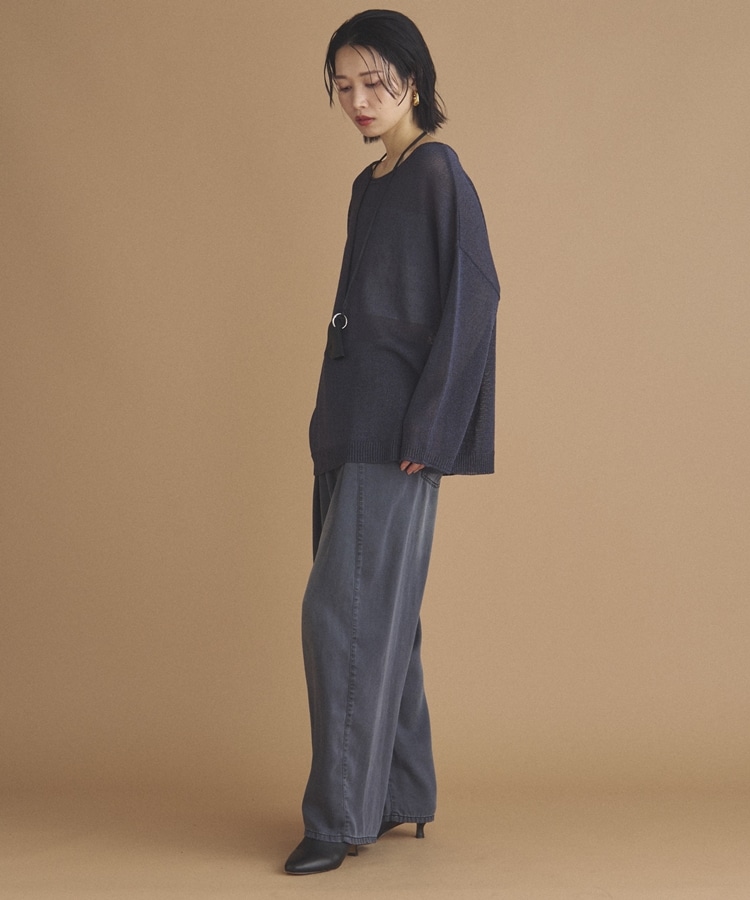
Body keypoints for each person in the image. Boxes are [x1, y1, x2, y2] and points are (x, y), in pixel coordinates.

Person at [284, 9, 500, 875]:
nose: (359, 100)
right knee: (382, 620)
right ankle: (400, 791)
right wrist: (326, 425)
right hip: (345, 427)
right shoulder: (370, 184)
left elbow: (475, 300)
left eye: (374, 81)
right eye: (343, 86)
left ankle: (337, 820)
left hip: (396, 436)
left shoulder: (438, 171)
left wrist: (434, 428)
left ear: (414, 79)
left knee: (341, 619)